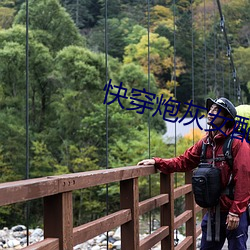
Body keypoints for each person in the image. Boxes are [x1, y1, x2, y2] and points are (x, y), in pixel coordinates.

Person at [137, 97, 250, 250]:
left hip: (233, 211)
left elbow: (244, 179)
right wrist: (157, 162)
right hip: (212, 211)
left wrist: (236, 212)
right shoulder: (205, 143)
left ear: (227, 117)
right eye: (210, 109)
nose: (210, 112)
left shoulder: (238, 144)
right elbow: (184, 161)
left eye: (216, 110)